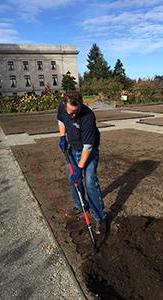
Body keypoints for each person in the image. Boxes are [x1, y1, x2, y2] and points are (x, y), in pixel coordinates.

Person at [57, 90, 107, 234]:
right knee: (73, 180)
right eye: (70, 111)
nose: (73, 115)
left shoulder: (88, 116)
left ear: (81, 105)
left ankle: (100, 217)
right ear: (65, 104)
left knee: (90, 180)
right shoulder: (62, 107)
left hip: (88, 152)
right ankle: (81, 205)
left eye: (76, 111)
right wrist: (62, 137)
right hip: (72, 148)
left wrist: (79, 169)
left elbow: (88, 147)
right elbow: (61, 120)